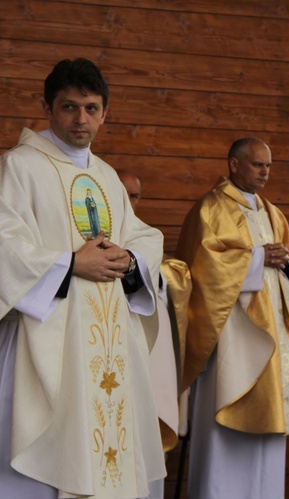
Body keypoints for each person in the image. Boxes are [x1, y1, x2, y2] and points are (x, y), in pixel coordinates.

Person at [0, 58, 165, 498]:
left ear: (105, 112)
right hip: (48, 342)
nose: (81, 119)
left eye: (91, 108)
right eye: (69, 107)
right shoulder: (19, 167)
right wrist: (72, 265)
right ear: (47, 108)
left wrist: (129, 260)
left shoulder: (107, 176)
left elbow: (145, 237)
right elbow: (5, 242)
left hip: (110, 346)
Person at [176, 136, 289, 498]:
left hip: (272, 343)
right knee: (224, 446)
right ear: (234, 164)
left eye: (269, 165)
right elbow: (202, 266)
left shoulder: (272, 212)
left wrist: (281, 258)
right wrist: (257, 259)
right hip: (231, 343)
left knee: (268, 442)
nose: (265, 171)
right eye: (257, 164)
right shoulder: (210, 208)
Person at [117, 169, 191, 499]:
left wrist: (150, 274)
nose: (128, 202)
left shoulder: (146, 240)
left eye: (134, 195)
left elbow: (175, 282)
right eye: (122, 193)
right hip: (106, 360)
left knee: (146, 442)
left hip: (147, 363)